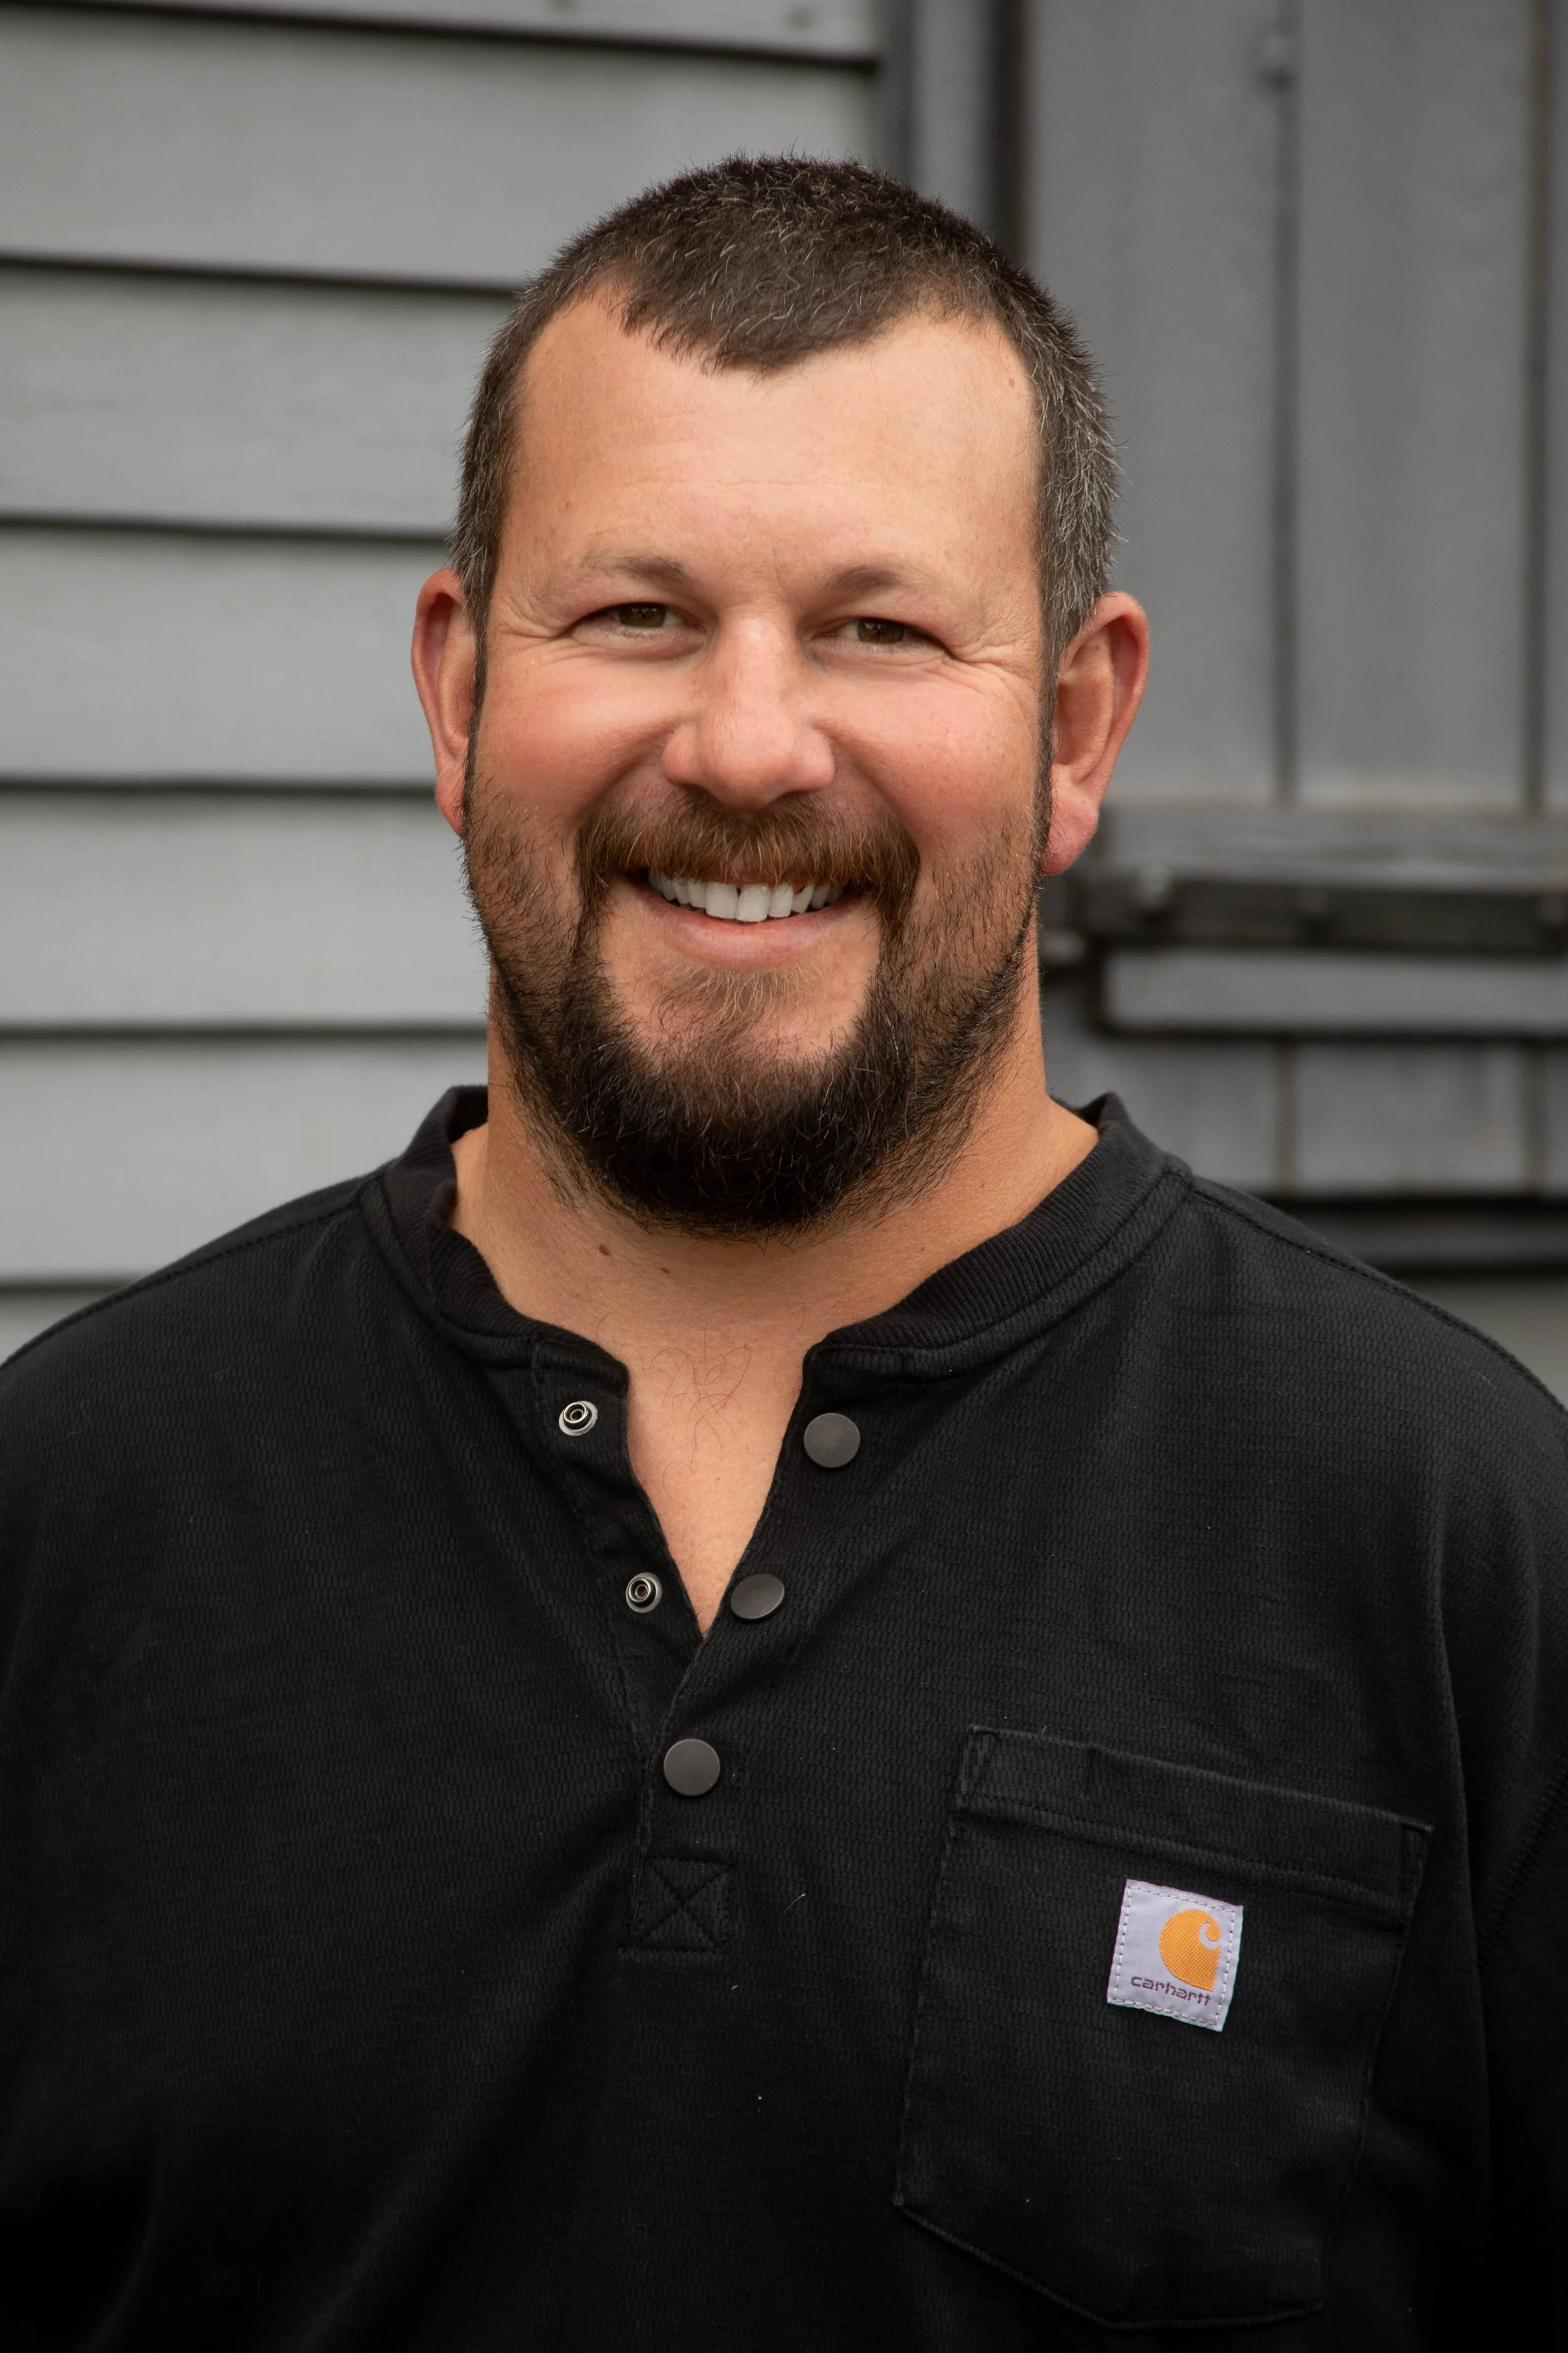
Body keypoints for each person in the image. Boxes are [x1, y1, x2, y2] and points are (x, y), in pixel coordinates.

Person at [1, 156, 1563, 2351]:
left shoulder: (1452, 1539)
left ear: (1075, 726)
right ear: (459, 694)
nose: (745, 742)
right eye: (634, 613)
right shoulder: (71, 1509)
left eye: (879, 627)